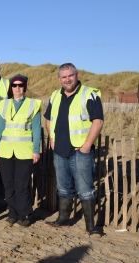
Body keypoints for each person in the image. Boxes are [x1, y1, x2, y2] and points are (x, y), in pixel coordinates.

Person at [44, 63, 103, 238]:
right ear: (59, 79)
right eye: (64, 77)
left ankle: (91, 227)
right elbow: (48, 119)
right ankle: (63, 220)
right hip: (60, 150)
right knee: (63, 188)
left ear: (76, 75)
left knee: (85, 189)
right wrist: (52, 139)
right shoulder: (55, 95)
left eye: (70, 75)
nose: (67, 79)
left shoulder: (89, 94)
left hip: (80, 151)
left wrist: (86, 146)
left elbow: (98, 121)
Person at [0, 74, 42, 227]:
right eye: (15, 85)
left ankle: (25, 214)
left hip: (24, 151)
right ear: (11, 88)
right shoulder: (4, 104)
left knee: (21, 185)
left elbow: (36, 129)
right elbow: (0, 127)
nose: (17, 88)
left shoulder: (33, 105)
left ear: (25, 87)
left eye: (21, 85)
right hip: (6, 151)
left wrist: (36, 150)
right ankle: (13, 213)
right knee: (8, 185)